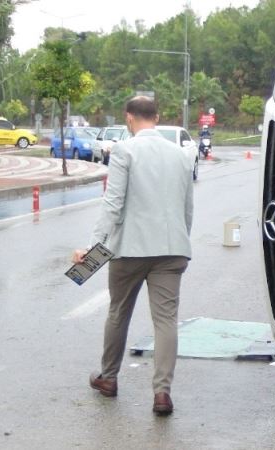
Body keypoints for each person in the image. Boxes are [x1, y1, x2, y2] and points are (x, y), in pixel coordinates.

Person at [72, 96, 194, 416]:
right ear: (157, 116)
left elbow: (113, 204)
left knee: (118, 312)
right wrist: (181, 241)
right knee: (166, 320)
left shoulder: (124, 151)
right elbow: (187, 208)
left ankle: (108, 378)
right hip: (172, 250)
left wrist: (93, 244)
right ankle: (162, 394)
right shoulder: (182, 155)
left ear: (129, 118)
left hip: (129, 250)